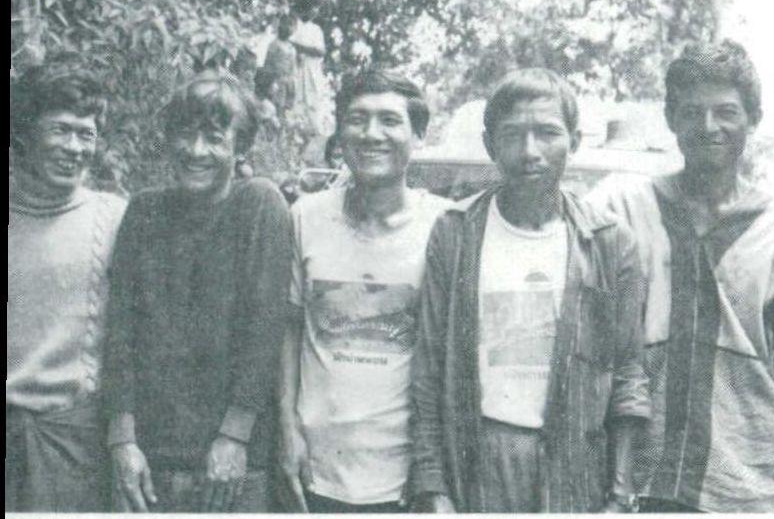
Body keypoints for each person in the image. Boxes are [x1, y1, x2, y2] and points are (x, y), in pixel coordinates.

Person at [588, 40, 774, 513]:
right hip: (642, 473)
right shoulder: (625, 206)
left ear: (753, 119)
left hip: (745, 476)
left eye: (726, 112)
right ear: (671, 119)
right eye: (692, 112)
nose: (708, 126)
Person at [411, 68, 651, 513]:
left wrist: (621, 497)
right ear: (490, 145)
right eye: (512, 135)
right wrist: (434, 489)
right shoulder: (456, 232)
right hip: (478, 463)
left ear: (574, 141)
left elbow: (628, 374)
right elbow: (428, 370)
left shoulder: (608, 241)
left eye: (547, 133)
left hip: (576, 468)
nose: (529, 151)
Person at [102, 70, 292, 512]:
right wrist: (122, 440)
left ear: (241, 146)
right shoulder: (144, 211)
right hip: (148, 459)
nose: (196, 150)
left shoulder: (258, 205)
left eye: (214, 137)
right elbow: (120, 331)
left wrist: (234, 436)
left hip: (232, 462)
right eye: (185, 134)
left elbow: (265, 330)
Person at [279, 69, 449, 513]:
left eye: (389, 120)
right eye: (357, 119)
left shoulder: (444, 225)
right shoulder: (305, 216)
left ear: (418, 135)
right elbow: (289, 330)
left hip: (405, 476)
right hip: (315, 470)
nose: (372, 134)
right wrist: (287, 428)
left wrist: (434, 473)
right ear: (340, 133)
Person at [8, 59, 127, 511]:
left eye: (86, 134)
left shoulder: (114, 219)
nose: (74, 147)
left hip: (77, 445)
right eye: (60, 130)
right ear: (25, 133)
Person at [290, 0, 334, 137]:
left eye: (317, 8)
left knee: (312, 102)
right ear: (306, 8)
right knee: (296, 100)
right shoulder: (294, 25)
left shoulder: (315, 29)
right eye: (314, 7)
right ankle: (295, 132)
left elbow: (320, 51)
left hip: (311, 70)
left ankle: (309, 132)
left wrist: (298, 47)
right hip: (296, 69)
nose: (316, 11)